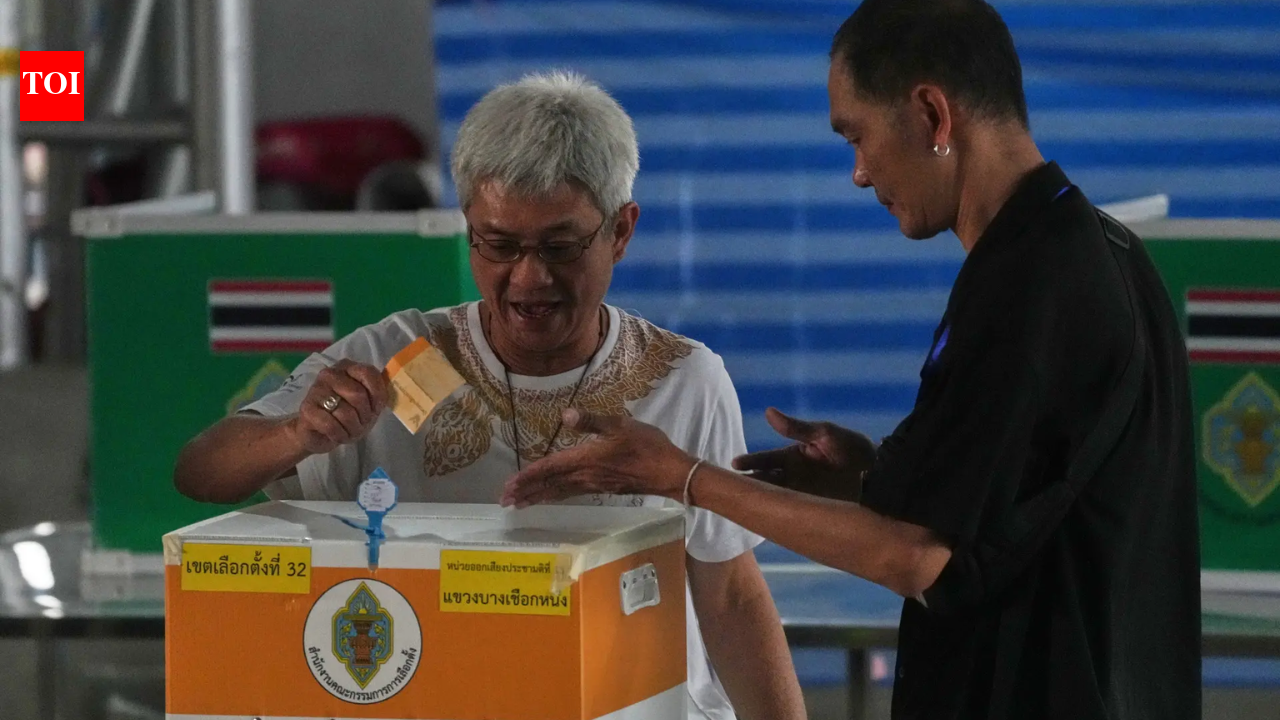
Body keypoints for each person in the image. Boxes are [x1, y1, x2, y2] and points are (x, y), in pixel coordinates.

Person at [500, 2, 1200, 719]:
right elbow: (1015, 505)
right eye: (495, 243)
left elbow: (918, 557)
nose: (860, 174)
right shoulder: (1102, 253)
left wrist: (682, 478)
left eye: (857, 137)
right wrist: (870, 477)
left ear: (933, 115)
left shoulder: (1028, 285)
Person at [173, 71, 806, 720]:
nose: (529, 279)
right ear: (469, 229)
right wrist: (295, 437)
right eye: (500, 245)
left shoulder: (683, 381)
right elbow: (200, 472)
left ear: (620, 232)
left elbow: (728, 592)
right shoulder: (396, 359)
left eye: (561, 246)